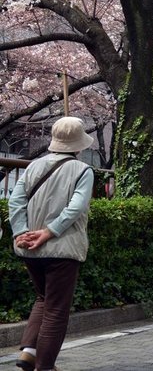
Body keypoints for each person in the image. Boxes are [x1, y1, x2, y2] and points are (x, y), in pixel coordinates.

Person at [8, 116, 95, 371]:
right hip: (62, 249)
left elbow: (16, 201)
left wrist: (21, 233)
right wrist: (50, 232)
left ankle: (29, 352)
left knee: (43, 298)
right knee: (56, 309)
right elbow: (76, 207)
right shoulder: (82, 170)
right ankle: (44, 367)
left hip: (30, 249)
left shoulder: (34, 166)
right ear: (78, 145)